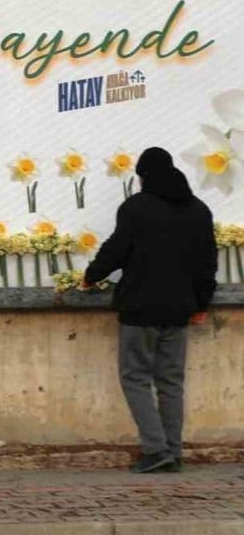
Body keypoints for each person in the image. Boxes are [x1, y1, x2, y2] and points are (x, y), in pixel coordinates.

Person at [83, 146, 217, 474]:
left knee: (136, 378)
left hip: (140, 309)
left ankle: (155, 450)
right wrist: (201, 304)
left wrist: (91, 276)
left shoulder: (136, 208)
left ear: (143, 177)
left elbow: (116, 249)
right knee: (171, 381)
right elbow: (207, 264)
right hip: (180, 311)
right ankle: (173, 450)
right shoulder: (198, 210)